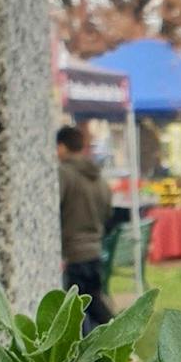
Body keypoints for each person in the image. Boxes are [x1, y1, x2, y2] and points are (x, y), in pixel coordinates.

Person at [57, 125, 114, 332]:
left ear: (62, 147)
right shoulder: (99, 177)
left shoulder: (64, 174)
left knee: (76, 310)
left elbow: (53, 208)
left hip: (73, 253)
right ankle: (115, 335)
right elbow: (108, 212)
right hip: (95, 251)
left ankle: (115, 336)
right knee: (93, 302)